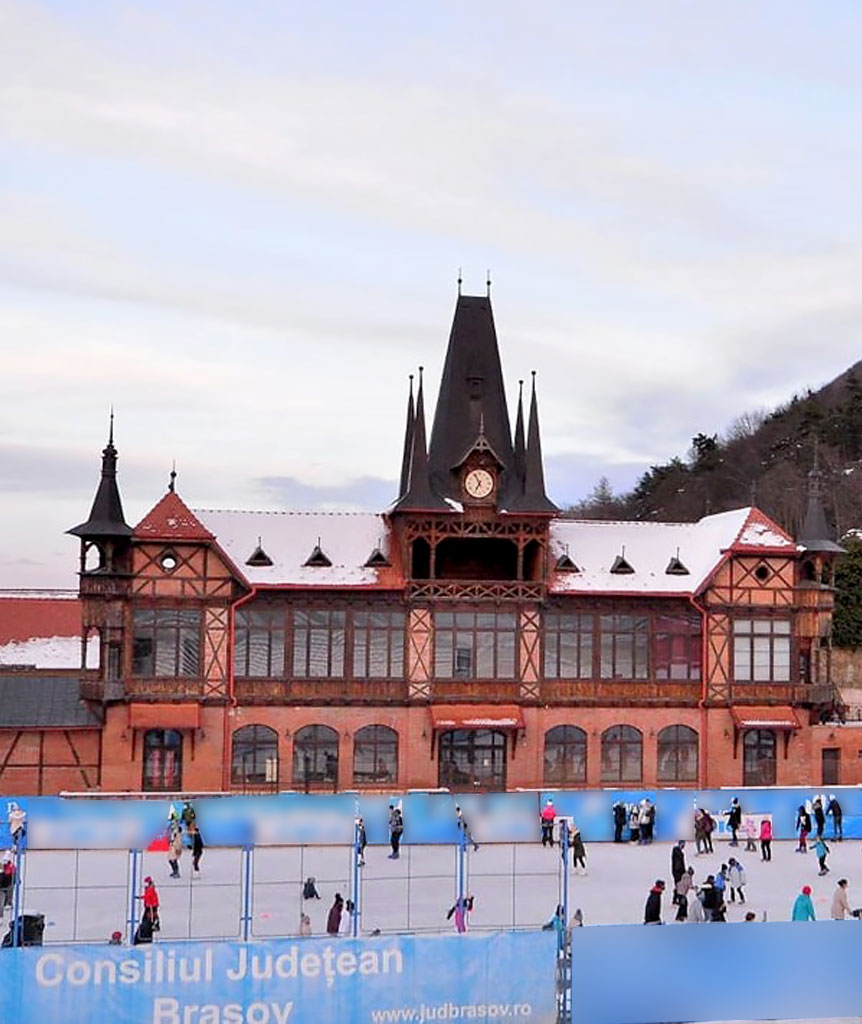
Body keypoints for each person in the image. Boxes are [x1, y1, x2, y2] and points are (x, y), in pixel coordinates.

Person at [0, 852, 14, 920]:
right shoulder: (2, 866)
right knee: (1, 903)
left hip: (7, 886)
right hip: (2, 887)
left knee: (2, 902)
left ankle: (8, 903)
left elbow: (12, 874)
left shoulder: (11, 866)